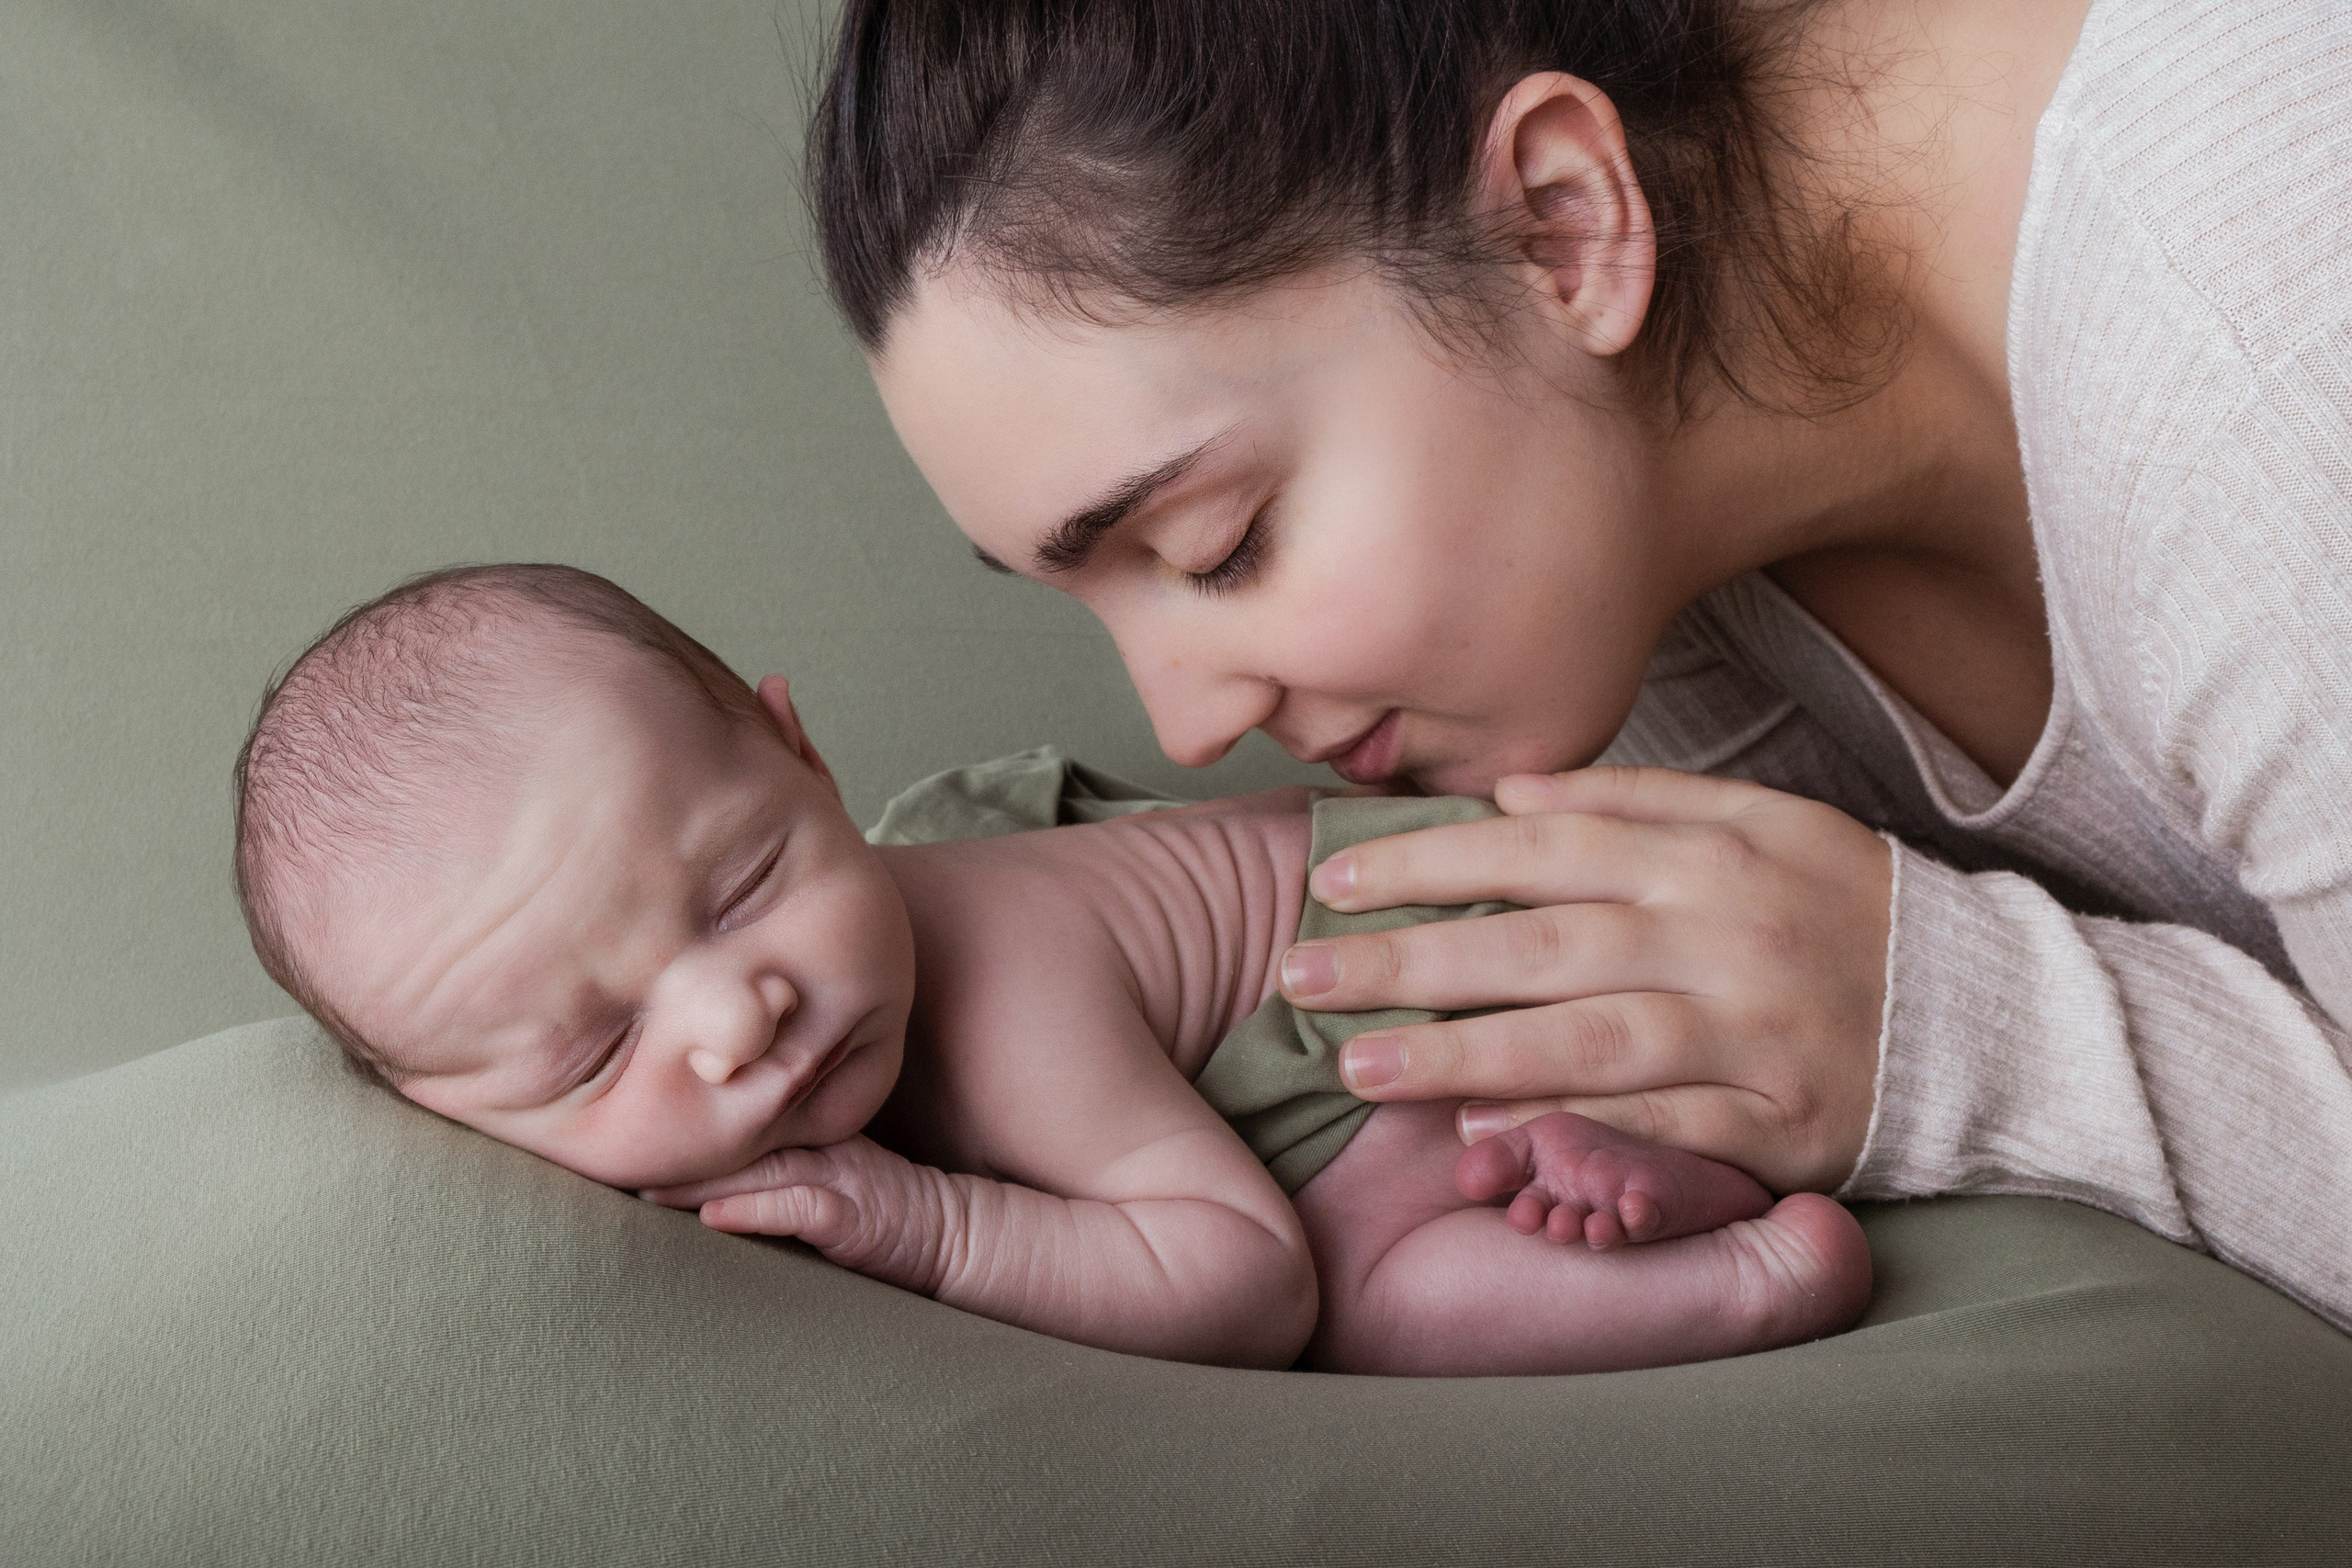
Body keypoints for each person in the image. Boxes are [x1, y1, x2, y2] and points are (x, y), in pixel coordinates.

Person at [810, 0, 2352, 1329]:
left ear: (1560, 225)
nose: (1185, 726)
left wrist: (1948, 1021)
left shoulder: (2259, 342)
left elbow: (1898, 1014)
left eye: (1222, 546)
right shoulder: (1619, 574)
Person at [231, 563, 1870, 1375]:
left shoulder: (997, 996)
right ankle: (1579, 1163)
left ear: (804, 756)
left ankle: (1743, 1264)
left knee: (1360, 1303)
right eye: (595, 1059)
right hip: (1308, 1052)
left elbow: (1242, 1283)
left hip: (1411, 993)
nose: (740, 1017)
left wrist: (933, 1223)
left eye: (743, 888)